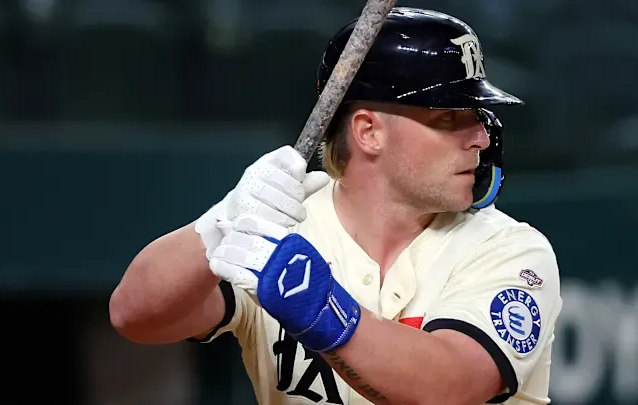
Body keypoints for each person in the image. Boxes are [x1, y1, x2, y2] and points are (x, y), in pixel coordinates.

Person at [109, 7, 563, 405]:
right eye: (448, 117)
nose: (480, 137)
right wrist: (221, 223)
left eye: (478, 116)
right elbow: (135, 316)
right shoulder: (287, 222)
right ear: (369, 132)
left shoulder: (510, 250)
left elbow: (448, 387)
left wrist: (318, 307)